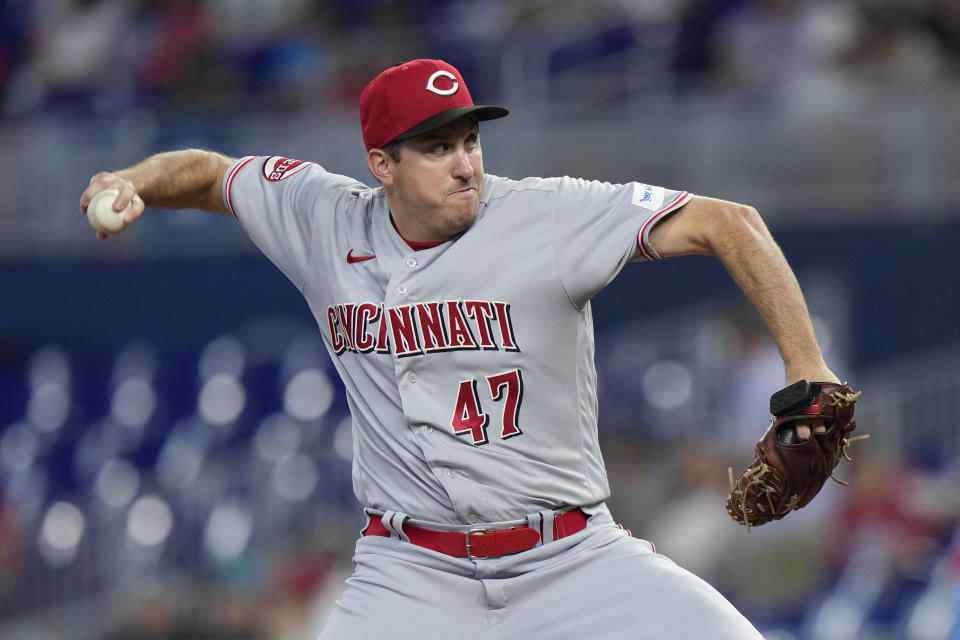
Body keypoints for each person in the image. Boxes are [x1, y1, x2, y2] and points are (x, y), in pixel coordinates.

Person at [80, 58, 841, 639]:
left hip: (570, 557)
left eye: (471, 139)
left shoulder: (546, 216)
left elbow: (728, 221)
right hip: (409, 571)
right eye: (438, 147)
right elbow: (212, 174)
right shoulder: (322, 219)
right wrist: (134, 179)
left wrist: (807, 365)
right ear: (382, 164)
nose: (466, 163)